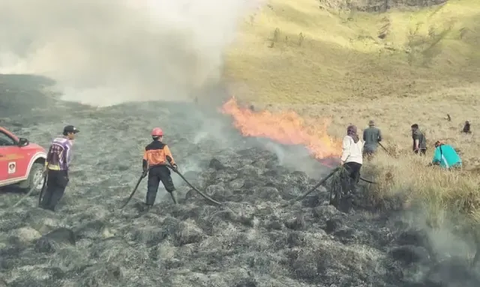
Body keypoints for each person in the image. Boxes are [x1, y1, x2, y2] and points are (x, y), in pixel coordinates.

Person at [40, 125, 79, 211]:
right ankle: (51, 208)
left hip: (50, 169)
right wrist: (67, 171)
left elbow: (49, 154)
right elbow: (66, 158)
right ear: (69, 133)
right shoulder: (67, 144)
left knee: (50, 188)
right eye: (73, 133)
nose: (74, 135)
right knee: (59, 189)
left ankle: (43, 205)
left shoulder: (55, 141)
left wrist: (46, 167)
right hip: (60, 170)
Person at [142, 127, 178, 207]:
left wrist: (144, 171)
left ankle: (149, 207)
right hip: (162, 169)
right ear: (160, 137)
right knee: (171, 188)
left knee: (152, 189)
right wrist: (174, 165)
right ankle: (177, 204)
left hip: (152, 170)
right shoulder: (164, 146)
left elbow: (145, 160)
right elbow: (169, 157)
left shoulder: (147, 148)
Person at [340, 125, 364, 194]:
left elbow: (346, 150)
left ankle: (345, 194)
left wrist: (342, 160)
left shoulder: (347, 138)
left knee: (343, 177)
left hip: (350, 161)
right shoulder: (359, 141)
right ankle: (353, 195)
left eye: (348, 130)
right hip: (359, 163)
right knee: (354, 180)